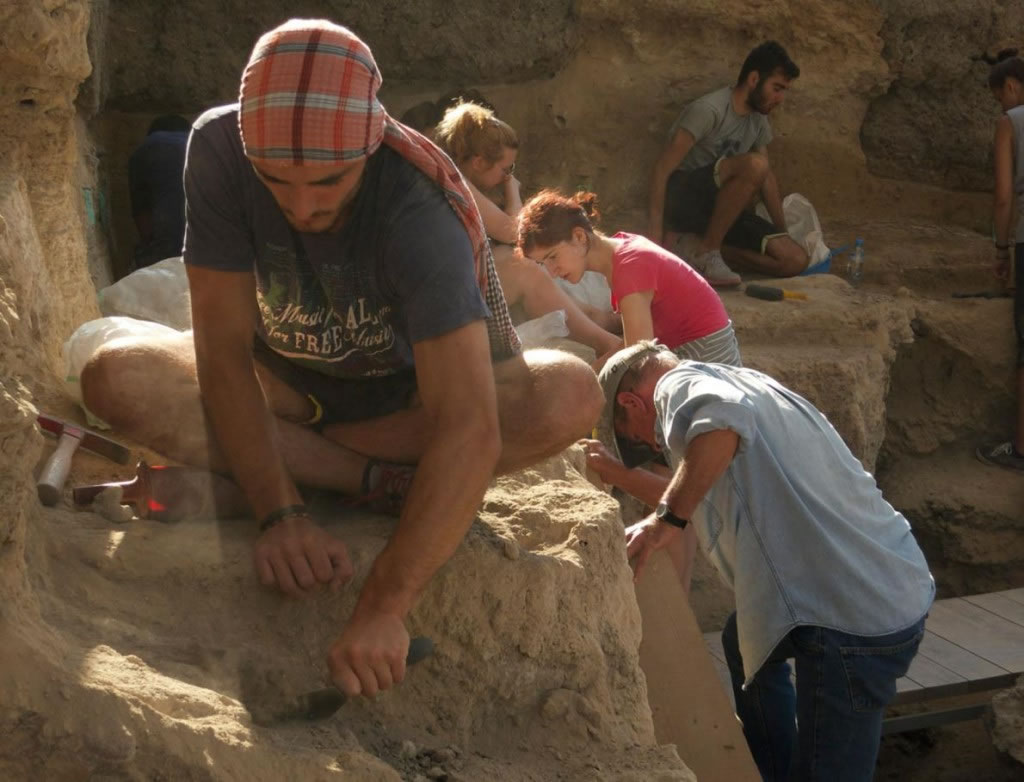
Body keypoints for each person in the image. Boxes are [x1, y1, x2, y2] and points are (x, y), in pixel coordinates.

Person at [79, 19, 603, 698]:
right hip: (287, 390)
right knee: (116, 375)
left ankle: (302, 471)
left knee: (569, 392)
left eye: (327, 183)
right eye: (276, 181)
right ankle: (364, 483)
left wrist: (383, 605)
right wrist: (279, 513)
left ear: (371, 143)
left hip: (408, 406)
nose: (300, 205)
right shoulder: (217, 147)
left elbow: (469, 424)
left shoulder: (420, 203)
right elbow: (223, 354)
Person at [592, 341, 934, 781]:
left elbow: (719, 429)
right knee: (743, 637)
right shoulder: (747, 381)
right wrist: (626, 479)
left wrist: (665, 521)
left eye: (641, 440)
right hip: (890, 580)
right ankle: (770, 770)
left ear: (630, 401)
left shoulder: (677, 387)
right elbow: (700, 485)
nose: (655, 447)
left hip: (852, 620)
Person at [433, 101, 622, 355]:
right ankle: (605, 341)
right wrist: (513, 189)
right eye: (506, 169)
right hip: (445, 289)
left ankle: (599, 320)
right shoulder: (455, 181)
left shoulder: (458, 178)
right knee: (521, 265)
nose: (507, 175)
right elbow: (514, 232)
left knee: (525, 266)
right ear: (478, 162)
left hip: (457, 276)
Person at [518, 188, 741, 368]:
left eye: (553, 257)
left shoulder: (629, 266)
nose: (551, 271)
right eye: (542, 263)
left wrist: (589, 379)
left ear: (579, 236)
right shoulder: (621, 250)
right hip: (688, 349)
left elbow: (638, 356)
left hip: (707, 357)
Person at [647, 40, 809, 286]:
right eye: (777, 88)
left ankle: (691, 247)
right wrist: (654, 235)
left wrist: (782, 230)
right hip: (684, 201)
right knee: (755, 164)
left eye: (783, 90)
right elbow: (662, 170)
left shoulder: (757, 120)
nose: (780, 98)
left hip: (721, 211)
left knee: (795, 259)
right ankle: (706, 253)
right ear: (754, 79)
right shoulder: (709, 110)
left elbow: (767, 176)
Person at [977, 50, 1024, 471]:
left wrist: (1001, 249)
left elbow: (1005, 195)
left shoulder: (1011, 123)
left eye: (1000, 97)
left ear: (1010, 86)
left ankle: (1022, 448)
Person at [127, 114, 190, 270]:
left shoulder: (144, 151)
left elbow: (141, 210)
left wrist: (149, 245)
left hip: (167, 239)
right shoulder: (203, 144)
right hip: (214, 241)